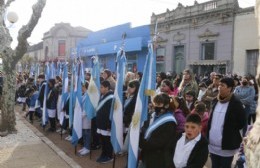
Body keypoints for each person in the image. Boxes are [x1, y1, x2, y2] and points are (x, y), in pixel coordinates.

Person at [207, 77, 246, 168]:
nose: (219, 87)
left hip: (226, 145)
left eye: (222, 85)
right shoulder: (215, 101)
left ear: (230, 88)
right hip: (213, 145)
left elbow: (242, 122)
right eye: (219, 85)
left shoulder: (236, 104)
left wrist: (229, 129)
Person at [140, 93, 177, 168]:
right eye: (155, 103)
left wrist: (143, 143)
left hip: (158, 158)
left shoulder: (170, 122)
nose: (156, 106)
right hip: (147, 153)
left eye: (159, 104)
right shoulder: (152, 115)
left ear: (166, 105)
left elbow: (161, 141)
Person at [96, 80, 114, 163]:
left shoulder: (111, 98)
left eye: (102, 87)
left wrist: (109, 125)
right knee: (103, 140)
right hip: (101, 123)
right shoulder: (103, 96)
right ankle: (104, 154)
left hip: (106, 125)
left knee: (107, 141)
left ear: (107, 88)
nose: (100, 89)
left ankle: (109, 156)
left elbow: (110, 113)